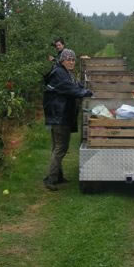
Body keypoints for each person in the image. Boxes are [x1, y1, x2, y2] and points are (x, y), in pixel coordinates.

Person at [42, 48, 92, 191]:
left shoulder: (65, 72)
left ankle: (58, 176)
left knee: (57, 147)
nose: (71, 62)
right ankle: (51, 179)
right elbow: (71, 89)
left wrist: (84, 88)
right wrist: (86, 93)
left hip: (59, 114)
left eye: (73, 60)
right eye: (68, 59)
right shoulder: (59, 73)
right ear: (62, 60)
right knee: (61, 147)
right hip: (59, 115)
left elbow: (75, 85)